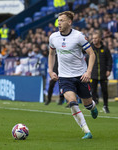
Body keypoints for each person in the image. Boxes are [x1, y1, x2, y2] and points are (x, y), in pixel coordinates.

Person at [48, 11, 98, 139]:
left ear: (69, 22)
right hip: (64, 77)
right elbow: (51, 54)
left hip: (81, 76)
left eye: (62, 21)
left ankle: (92, 107)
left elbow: (92, 54)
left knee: (87, 103)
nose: (59, 23)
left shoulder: (78, 36)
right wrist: (50, 70)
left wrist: (88, 72)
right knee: (72, 102)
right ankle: (86, 131)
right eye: (58, 21)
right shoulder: (53, 37)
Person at [90, 32, 112, 113]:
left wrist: (109, 70)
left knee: (105, 91)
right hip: (93, 73)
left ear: (99, 39)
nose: (94, 40)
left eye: (95, 38)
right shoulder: (90, 48)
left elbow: (110, 60)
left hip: (103, 74)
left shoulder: (105, 49)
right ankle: (93, 107)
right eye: (93, 38)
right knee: (93, 91)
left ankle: (105, 106)